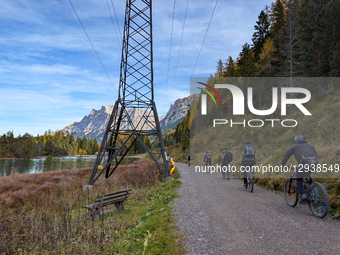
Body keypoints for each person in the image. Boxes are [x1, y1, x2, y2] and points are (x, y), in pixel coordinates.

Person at [280, 135, 317, 202]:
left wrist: (282, 165)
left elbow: (286, 156)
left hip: (304, 164)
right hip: (314, 164)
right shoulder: (310, 146)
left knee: (298, 177)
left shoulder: (294, 146)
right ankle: (312, 192)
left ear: (296, 141)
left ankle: (303, 194)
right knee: (307, 174)